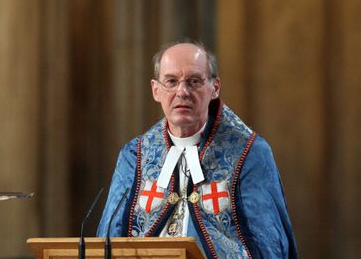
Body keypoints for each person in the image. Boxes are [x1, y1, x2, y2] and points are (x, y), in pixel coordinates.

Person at [97, 41, 298, 258]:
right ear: (156, 90)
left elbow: (267, 243)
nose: (182, 91)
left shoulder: (249, 152)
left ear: (215, 88)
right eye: (171, 81)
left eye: (194, 81)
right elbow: (108, 240)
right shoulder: (134, 155)